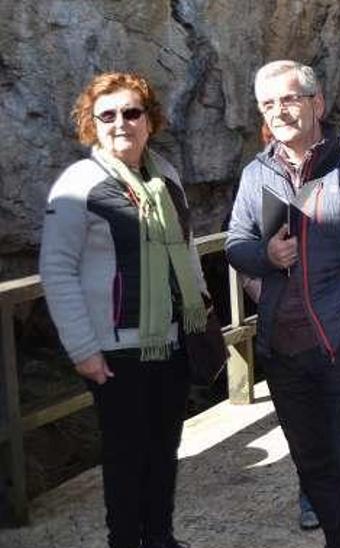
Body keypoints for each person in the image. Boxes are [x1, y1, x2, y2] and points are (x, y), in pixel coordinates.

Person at [226, 60, 340, 548]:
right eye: (268, 103)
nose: (279, 111)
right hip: (284, 353)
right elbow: (236, 241)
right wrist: (264, 253)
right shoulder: (256, 174)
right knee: (315, 468)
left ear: (316, 103)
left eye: (289, 99)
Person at [40, 72, 206, 548]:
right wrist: (83, 350)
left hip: (172, 339)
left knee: (165, 448)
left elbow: (188, 248)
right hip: (115, 352)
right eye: (107, 115)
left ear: (149, 121)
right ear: (91, 124)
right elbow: (57, 270)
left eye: (131, 113)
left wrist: (200, 310)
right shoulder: (79, 184)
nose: (120, 123)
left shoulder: (165, 175)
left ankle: (159, 536)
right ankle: (125, 541)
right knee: (125, 455)